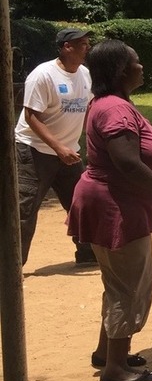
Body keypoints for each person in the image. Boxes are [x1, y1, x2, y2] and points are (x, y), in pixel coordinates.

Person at [68, 40, 152, 381]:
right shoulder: (115, 110)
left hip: (112, 203)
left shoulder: (110, 104)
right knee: (128, 288)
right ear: (122, 71)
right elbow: (126, 162)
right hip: (115, 208)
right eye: (137, 63)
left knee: (116, 282)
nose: (142, 67)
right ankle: (116, 370)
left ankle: (107, 353)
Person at [15, 27, 97, 267]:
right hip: (34, 150)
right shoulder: (43, 75)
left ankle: (87, 253)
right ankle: (12, 267)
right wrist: (58, 147)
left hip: (69, 152)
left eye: (87, 43)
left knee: (82, 203)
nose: (87, 48)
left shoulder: (85, 74)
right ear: (66, 47)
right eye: (82, 44)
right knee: (25, 208)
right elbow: (31, 116)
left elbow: (89, 107)